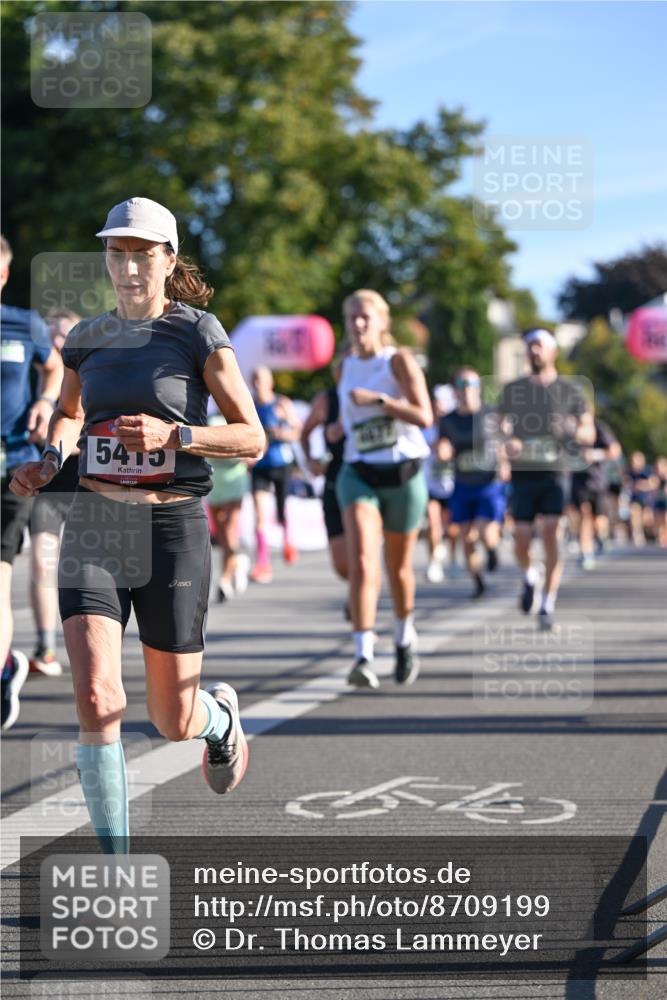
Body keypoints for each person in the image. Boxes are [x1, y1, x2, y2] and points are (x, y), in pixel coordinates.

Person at [10, 197, 265, 853]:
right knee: (96, 699)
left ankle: (218, 720)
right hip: (94, 525)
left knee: (170, 719)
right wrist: (50, 458)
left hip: (171, 529)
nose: (127, 268)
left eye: (141, 255)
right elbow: (68, 415)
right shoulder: (89, 337)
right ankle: (116, 865)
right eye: (116, 254)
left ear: (168, 260)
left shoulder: (197, 332)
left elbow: (251, 436)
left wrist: (175, 435)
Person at [336, 289, 432, 688]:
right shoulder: (342, 367)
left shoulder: (398, 361)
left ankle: (405, 637)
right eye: (352, 317)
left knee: (399, 568)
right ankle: (362, 655)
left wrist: (381, 400)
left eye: (365, 317)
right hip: (358, 472)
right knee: (362, 560)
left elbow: (424, 415)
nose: (358, 324)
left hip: (404, 475)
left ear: (382, 322)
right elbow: (349, 419)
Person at [1, 235, 64, 729]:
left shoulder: (24, 325)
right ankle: (9, 666)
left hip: (12, 466)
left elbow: (54, 368)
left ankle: (11, 666)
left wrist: (44, 402)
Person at [499, 328, 595, 631]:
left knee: (553, 531)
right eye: (530, 346)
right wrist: (508, 439)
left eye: (540, 346)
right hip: (523, 472)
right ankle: (530, 574)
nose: (534, 351)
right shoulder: (513, 389)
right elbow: (497, 423)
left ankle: (547, 603)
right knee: (521, 539)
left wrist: (570, 428)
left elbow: (588, 432)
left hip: (556, 471)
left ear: (552, 352)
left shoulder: (570, 391)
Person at [28, 309, 82, 676]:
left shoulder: (92, 377)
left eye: (63, 335)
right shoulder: (33, 381)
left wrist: (58, 441)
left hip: (86, 482)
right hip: (47, 485)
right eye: (51, 335)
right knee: (41, 562)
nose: (55, 342)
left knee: (89, 571)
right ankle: (46, 646)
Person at [438, 367, 506, 598]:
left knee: (486, 533)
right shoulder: (448, 420)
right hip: (463, 483)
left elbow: (504, 440)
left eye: (471, 385)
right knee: (466, 536)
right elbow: (442, 445)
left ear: (478, 388)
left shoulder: (491, 414)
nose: (466, 391)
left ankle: (492, 549)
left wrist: (505, 461)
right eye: (461, 386)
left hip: (489, 483)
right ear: (454, 391)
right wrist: (442, 451)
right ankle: (478, 581)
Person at [249, 366, 302, 583]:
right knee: (260, 515)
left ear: (271, 382)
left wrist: (281, 432)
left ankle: (288, 541)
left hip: (281, 464)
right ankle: (263, 563)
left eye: (261, 379)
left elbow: (297, 431)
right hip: (260, 466)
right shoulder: (249, 405)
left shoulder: (282, 404)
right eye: (254, 379)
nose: (257, 383)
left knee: (281, 512)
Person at [300, 353, 348, 585]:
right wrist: (312, 460)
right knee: (341, 565)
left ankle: (361, 593)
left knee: (362, 554)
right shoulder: (327, 400)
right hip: (335, 481)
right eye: (341, 367)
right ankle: (358, 585)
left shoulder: (372, 397)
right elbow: (305, 432)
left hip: (367, 479)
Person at [206, 404, 252, 602]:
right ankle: (237, 562)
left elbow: (255, 441)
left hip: (235, 477)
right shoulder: (208, 417)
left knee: (228, 527)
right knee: (219, 530)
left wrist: (248, 456)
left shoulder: (241, 414)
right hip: (214, 477)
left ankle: (224, 578)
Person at [568, 418, 620, 569]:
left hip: (597, 481)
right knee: (584, 515)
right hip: (577, 481)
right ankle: (586, 553)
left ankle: (602, 536)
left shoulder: (599, 426)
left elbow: (615, 450)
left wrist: (595, 454)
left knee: (598, 520)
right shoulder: (568, 426)